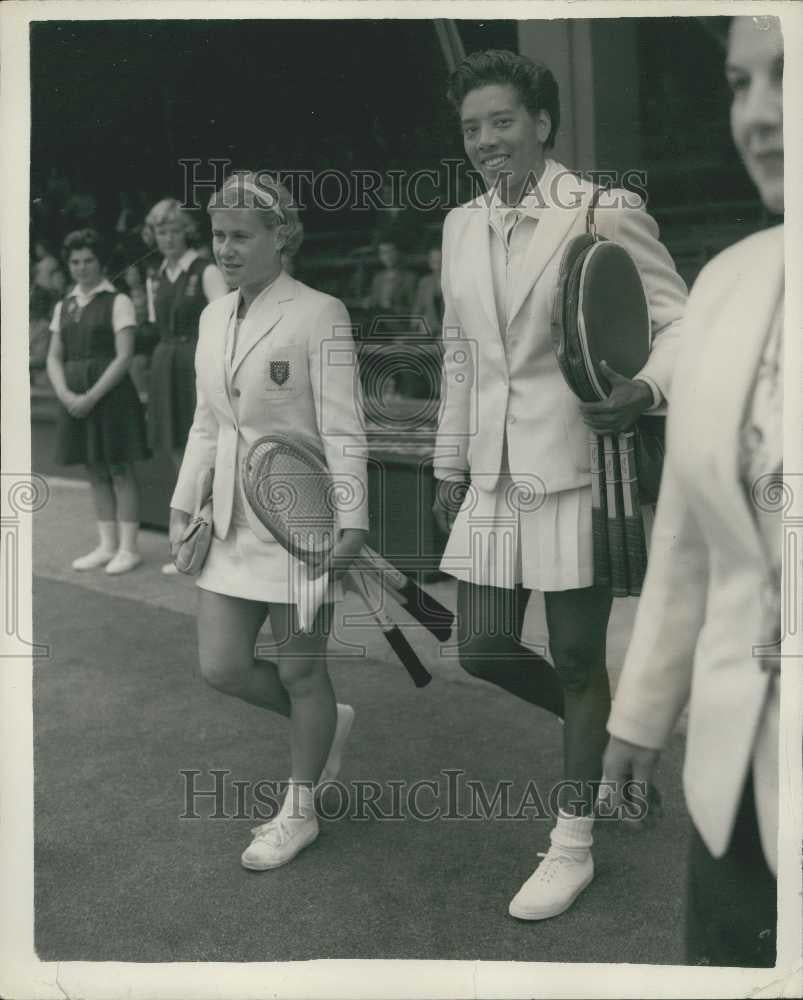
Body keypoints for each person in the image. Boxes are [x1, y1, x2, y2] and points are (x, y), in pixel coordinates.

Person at [432, 49, 688, 920]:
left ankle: (572, 838)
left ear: (541, 123)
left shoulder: (601, 210)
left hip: (578, 466)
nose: (486, 141)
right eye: (472, 128)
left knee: (578, 657)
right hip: (491, 477)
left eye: (501, 121)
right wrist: (445, 462)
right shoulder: (459, 225)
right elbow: (460, 351)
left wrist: (644, 388)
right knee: (480, 648)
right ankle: (614, 745)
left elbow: (679, 324)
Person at [603, 15, 784, 967]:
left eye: (785, 75)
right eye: (737, 83)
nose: (756, 115)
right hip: (731, 787)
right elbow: (685, 536)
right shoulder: (723, 284)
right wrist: (640, 716)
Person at [169, 172, 368, 870]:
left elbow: (344, 429)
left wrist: (353, 522)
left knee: (300, 672)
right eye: (218, 235)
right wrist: (179, 502)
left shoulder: (321, 313)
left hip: (302, 524)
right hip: (226, 521)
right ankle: (325, 728)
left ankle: (300, 810)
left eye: (240, 236)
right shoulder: (210, 316)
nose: (224, 249)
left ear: (280, 236)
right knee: (220, 667)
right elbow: (206, 423)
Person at [46, 228, 149, 574]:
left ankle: (129, 548)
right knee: (95, 468)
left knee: (119, 467)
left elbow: (124, 356)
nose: (81, 267)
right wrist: (65, 394)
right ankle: (107, 545)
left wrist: (90, 396)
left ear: (100, 262)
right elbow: (53, 357)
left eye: (88, 260)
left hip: (111, 396)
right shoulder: (65, 305)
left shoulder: (116, 301)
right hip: (75, 396)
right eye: (75, 261)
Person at [142, 198, 228, 574]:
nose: (168, 237)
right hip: (166, 363)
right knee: (178, 450)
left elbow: (226, 321)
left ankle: (205, 538)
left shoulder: (205, 268)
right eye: (161, 231)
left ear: (187, 231)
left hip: (197, 362)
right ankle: (189, 539)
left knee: (204, 449)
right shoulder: (156, 274)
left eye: (175, 229)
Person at [412, 245, 444, 337]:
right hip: (428, 329)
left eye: (439, 258)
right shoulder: (425, 282)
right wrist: (417, 323)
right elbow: (418, 307)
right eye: (433, 258)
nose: (436, 261)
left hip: (449, 330)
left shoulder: (454, 282)